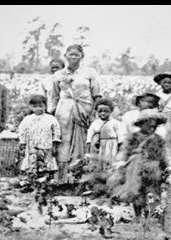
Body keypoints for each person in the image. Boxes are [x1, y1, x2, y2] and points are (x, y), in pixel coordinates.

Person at [49, 44, 101, 184]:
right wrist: (51, 115)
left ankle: (81, 179)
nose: (73, 57)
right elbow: (53, 96)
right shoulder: (59, 75)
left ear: (82, 56)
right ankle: (63, 179)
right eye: (70, 54)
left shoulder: (90, 73)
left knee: (83, 142)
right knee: (63, 143)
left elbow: (97, 95)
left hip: (84, 110)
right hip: (64, 111)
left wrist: (93, 113)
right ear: (65, 56)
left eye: (76, 55)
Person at [107, 109, 171, 219]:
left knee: (152, 192)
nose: (152, 128)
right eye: (149, 125)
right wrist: (120, 162)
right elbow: (125, 150)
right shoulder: (133, 137)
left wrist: (169, 166)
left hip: (153, 170)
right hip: (135, 169)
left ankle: (149, 215)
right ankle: (138, 215)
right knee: (136, 192)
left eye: (154, 126)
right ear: (142, 124)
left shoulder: (159, 139)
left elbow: (166, 153)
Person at [18, 95, 61, 180]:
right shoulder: (27, 119)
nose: (38, 109)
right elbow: (22, 131)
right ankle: (32, 181)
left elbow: (56, 131)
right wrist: (23, 143)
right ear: (31, 107)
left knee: (46, 164)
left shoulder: (51, 119)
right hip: (32, 146)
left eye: (41, 106)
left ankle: (45, 181)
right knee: (32, 163)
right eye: (35, 107)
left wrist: (55, 143)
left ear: (45, 106)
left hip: (46, 145)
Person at [86, 98, 122, 169]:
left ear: (111, 111)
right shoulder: (95, 123)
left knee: (111, 163)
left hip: (111, 146)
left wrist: (120, 149)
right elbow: (89, 137)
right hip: (97, 147)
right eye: (100, 111)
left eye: (106, 111)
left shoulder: (115, 123)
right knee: (98, 164)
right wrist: (89, 148)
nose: (103, 113)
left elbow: (120, 136)